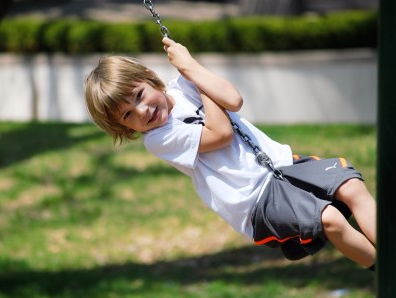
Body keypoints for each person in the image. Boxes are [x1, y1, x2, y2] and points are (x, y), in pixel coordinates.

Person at [84, 37, 377, 270]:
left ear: (149, 78)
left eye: (139, 96)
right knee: (329, 219)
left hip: (283, 165)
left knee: (350, 185)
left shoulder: (183, 83)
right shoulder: (159, 138)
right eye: (128, 115)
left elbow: (233, 100)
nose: (143, 111)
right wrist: (198, 82)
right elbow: (221, 134)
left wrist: (190, 67)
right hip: (254, 199)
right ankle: (384, 270)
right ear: (123, 127)